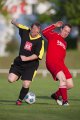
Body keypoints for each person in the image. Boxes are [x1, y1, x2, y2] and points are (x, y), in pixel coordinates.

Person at [8, 19, 44, 105]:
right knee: (10, 79)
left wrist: (26, 59)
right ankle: (15, 68)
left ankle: (19, 100)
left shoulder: (40, 40)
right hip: (19, 63)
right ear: (30, 28)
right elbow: (18, 25)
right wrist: (13, 21)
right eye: (34, 29)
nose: (35, 32)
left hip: (31, 65)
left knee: (26, 84)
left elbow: (37, 55)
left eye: (37, 30)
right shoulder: (25, 31)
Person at [42, 21, 74, 106]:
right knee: (62, 79)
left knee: (70, 85)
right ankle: (65, 101)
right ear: (61, 29)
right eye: (65, 30)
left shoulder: (65, 43)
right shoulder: (53, 35)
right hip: (52, 62)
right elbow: (44, 32)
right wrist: (54, 25)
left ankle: (55, 95)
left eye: (68, 32)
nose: (66, 33)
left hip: (61, 64)